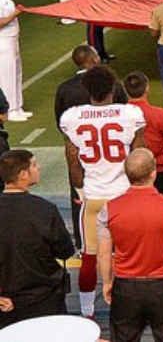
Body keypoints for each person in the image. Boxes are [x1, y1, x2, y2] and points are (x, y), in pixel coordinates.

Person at [59, 65, 146, 319]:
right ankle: (131, 307)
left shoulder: (73, 117)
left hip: (94, 196)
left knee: (89, 256)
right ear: (113, 88)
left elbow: (72, 161)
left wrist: (80, 191)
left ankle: (87, 312)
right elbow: (140, 157)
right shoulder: (130, 113)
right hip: (124, 196)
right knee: (130, 254)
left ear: (87, 89)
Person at [97, 149, 163, 342]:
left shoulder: (109, 208)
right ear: (153, 173)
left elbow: (103, 254)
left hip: (125, 286)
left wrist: (107, 282)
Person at [54, 46, 127, 246]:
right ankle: (119, 239)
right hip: (112, 155)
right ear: (93, 60)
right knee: (117, 198)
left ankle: (83, 241)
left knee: (80, 200)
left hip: (80, 153)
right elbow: (125, 115)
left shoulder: (64, 88)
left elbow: (60, 124)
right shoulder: (113, 85)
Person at [0, 150, 75, 328]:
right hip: (45, 298)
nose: (39, 167)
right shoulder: (44, 209)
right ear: (23, 174)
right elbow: (65, 251)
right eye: (34, 164)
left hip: (7, 301)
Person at [123, 72, 163, 199]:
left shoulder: (120, 114)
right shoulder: (158, 114)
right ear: (147, 89)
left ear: (126, 90)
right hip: (157, 171)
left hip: (128, 172)